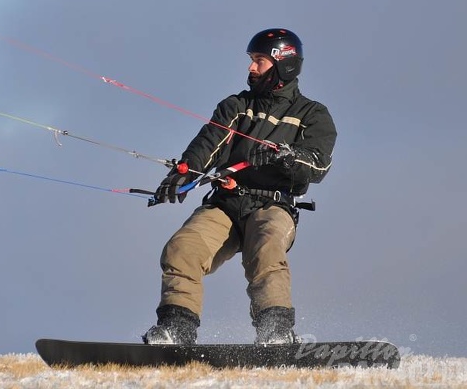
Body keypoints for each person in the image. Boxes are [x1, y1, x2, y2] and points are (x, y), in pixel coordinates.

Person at [143, 28, 337, 346]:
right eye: (251, 61)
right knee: (182, 248)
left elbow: (318, 164)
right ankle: (175, 329)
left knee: (266, 248)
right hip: (226, 202)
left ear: (283, 64)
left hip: (272, 206)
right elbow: (208, 143)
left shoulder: (312, 115)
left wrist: (287, 157)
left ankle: (276, 331)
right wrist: (183, 174)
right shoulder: (236, 107)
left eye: (258, 61)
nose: (251, 68)